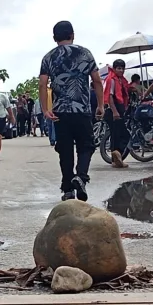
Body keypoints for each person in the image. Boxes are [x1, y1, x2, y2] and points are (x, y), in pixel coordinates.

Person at [39, 20, 103, 201]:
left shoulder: (48, 57)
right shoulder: (85, 53)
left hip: (60, 112)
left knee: (65, 150)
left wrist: (45, 109)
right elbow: (97, 81)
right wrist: (100, 105)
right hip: (82, 109)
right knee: (87, 145)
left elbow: (43, 84)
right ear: (72, 35)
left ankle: (68, 189)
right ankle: (81, 176)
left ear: (54, 38)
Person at [104, 58, 131, 168]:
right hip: (113, 110)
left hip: (118, 109)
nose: (121, 70)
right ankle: (117, 153)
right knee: (125, 135)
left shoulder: (120, 80)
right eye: (119, 68)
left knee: (115, 135)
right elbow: (110, 97)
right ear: (114, 69)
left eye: (122, 68)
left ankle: (115, 160)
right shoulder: (112, 79)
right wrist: (115, 112)